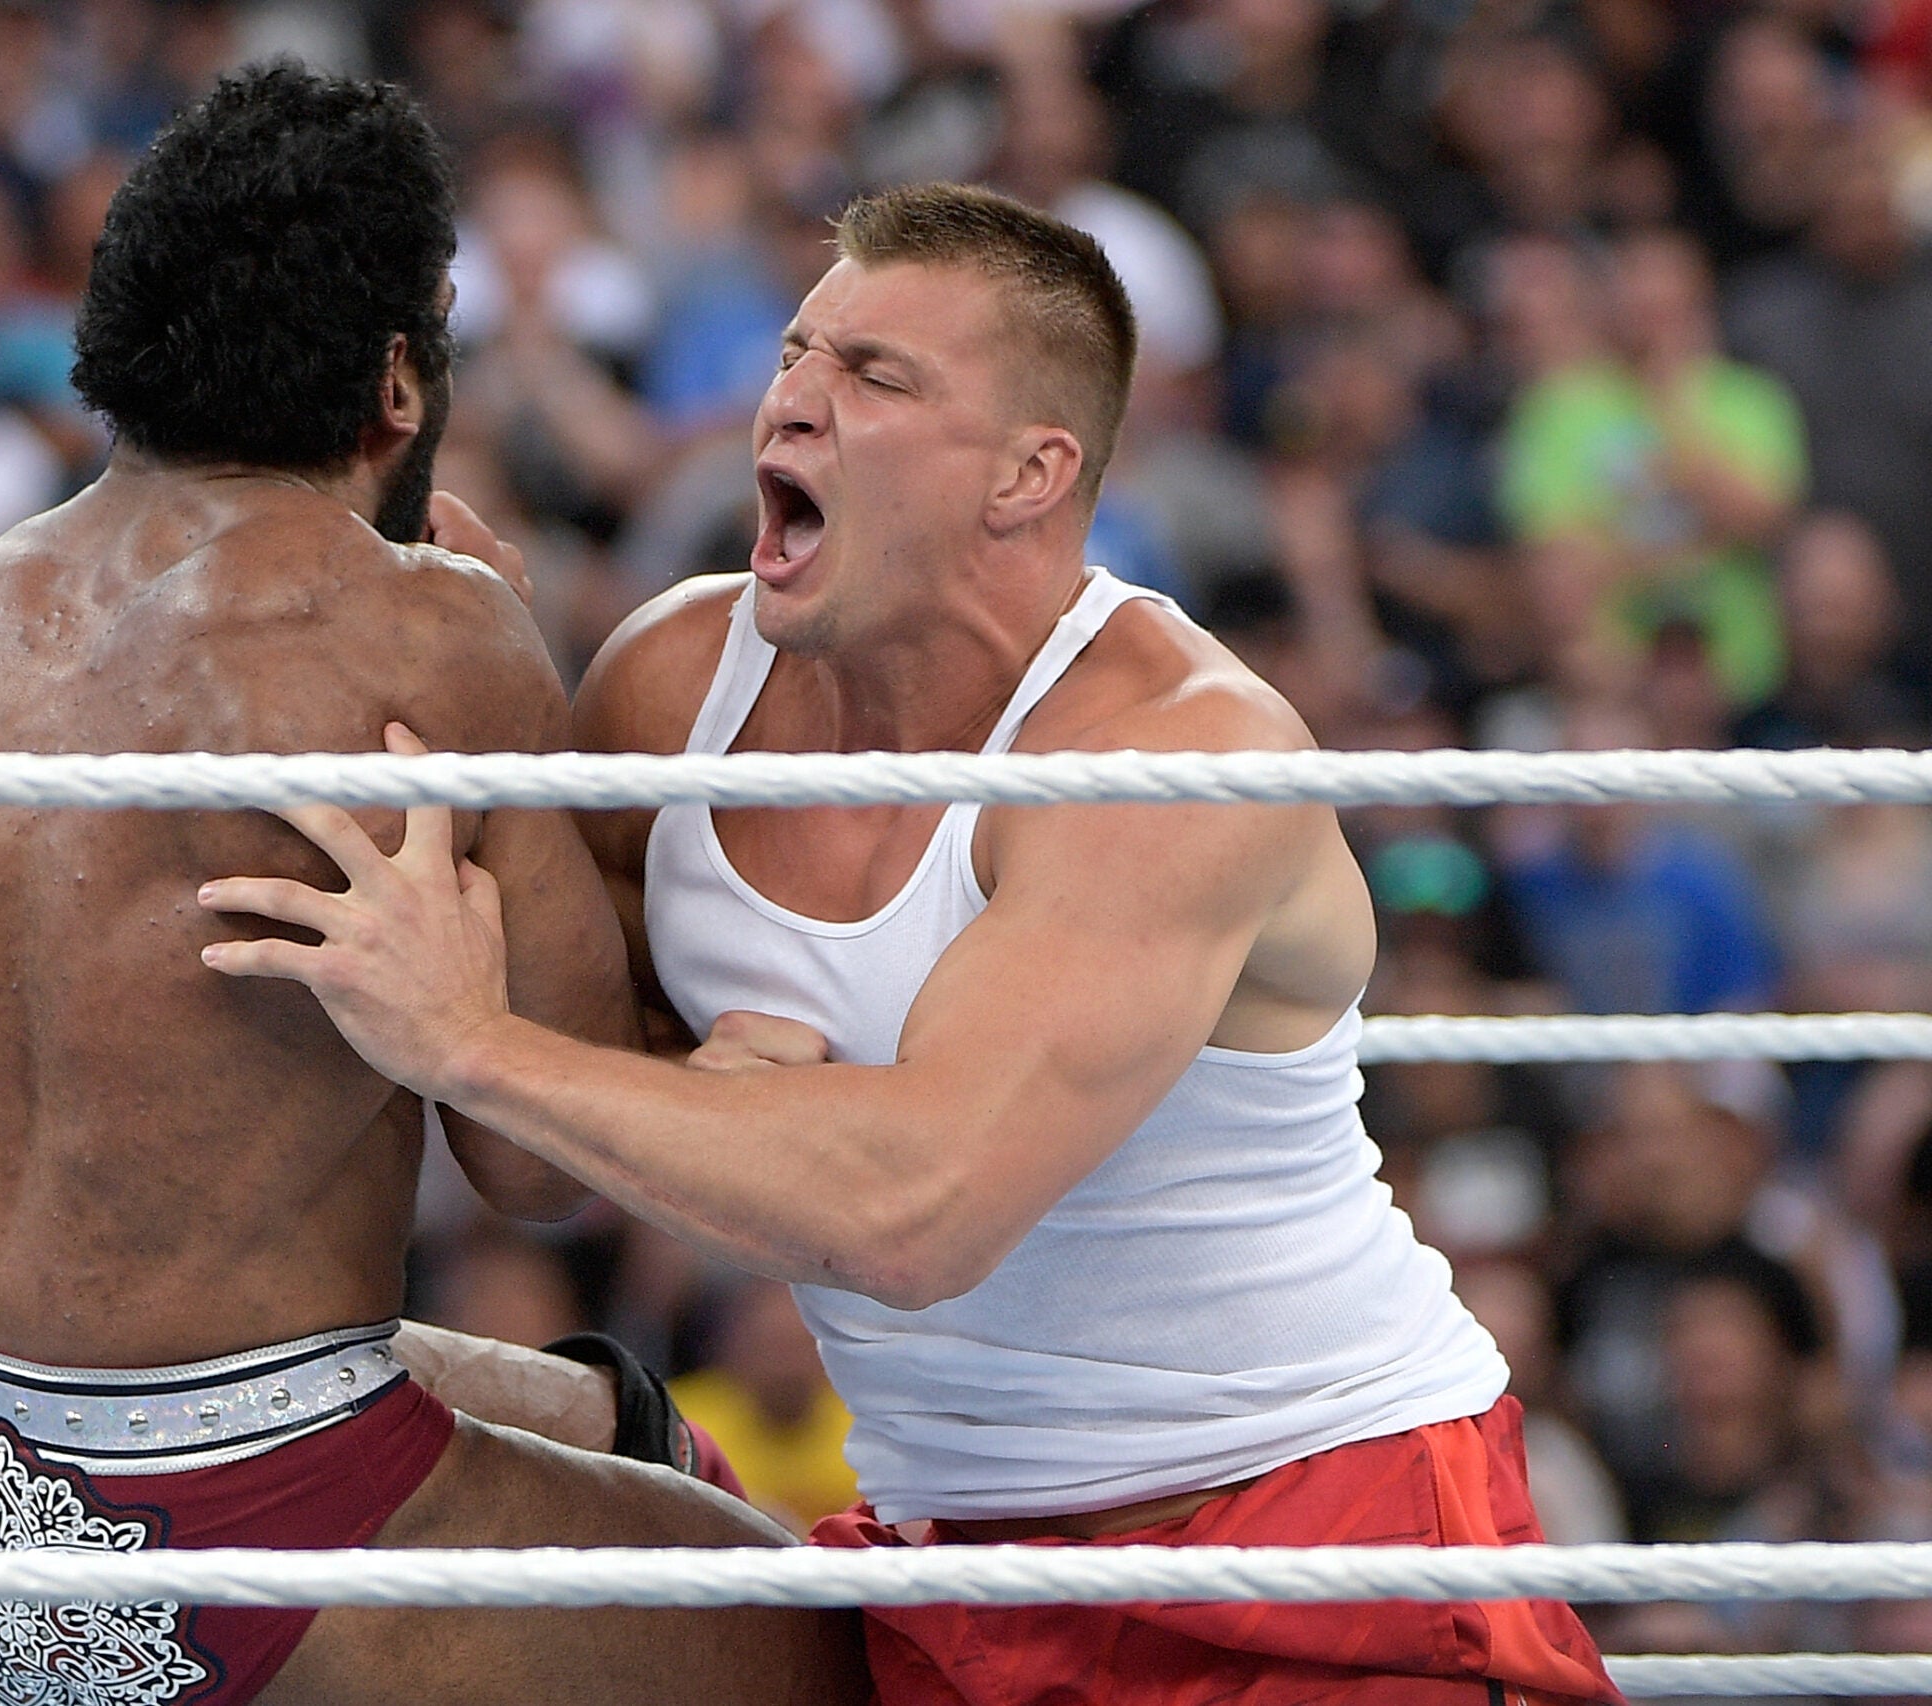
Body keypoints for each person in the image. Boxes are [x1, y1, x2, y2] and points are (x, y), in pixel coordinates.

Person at [203, 182, 1626, 1705]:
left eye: (875, 375)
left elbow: (916, 1217)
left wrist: (477, 1042)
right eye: (799, 351)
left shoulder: (1170, 753)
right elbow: (542, 1164)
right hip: (952, 1565)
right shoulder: (677, 685)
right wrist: (477, 693)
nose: (795, 398)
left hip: (1314, 1529)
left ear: (1032, 470)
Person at [0, 65, 866, 1706]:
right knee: (852, 1657)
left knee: (616, 1414)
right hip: (262, 1512)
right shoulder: (417, 628)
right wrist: (505, 670)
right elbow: (538, 1173)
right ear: (397, 378)